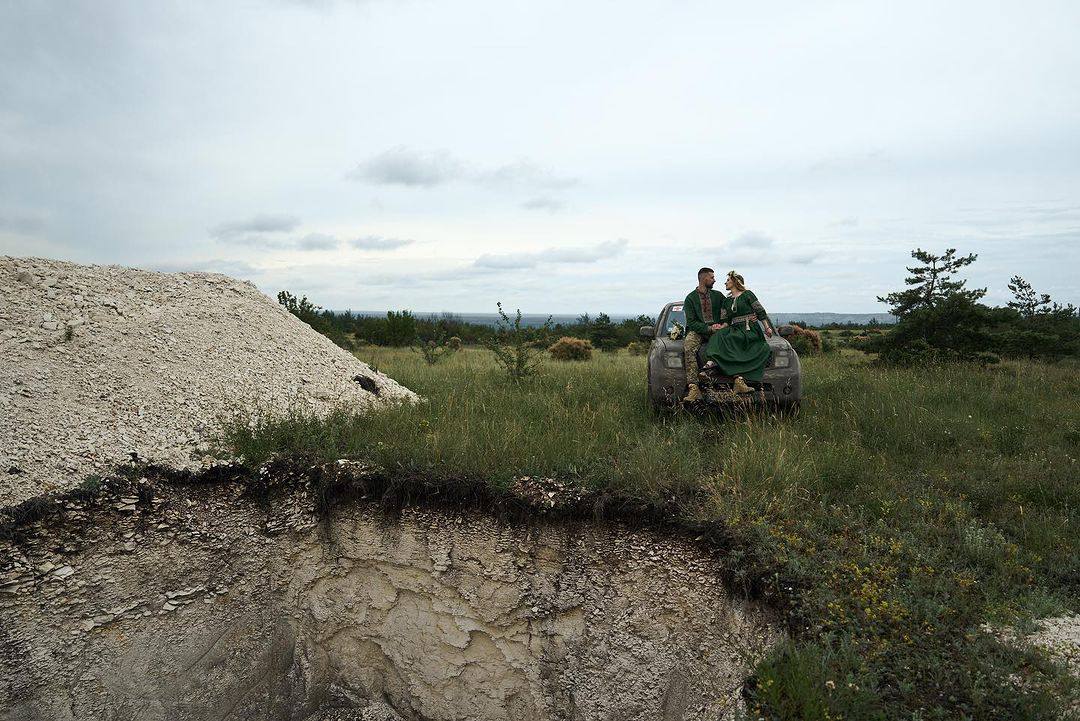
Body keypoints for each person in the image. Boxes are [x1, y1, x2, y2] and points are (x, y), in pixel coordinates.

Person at [701, 270, 775, 394]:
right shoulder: (726, 301)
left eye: (728, 280)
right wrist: (720, 327)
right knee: (718, 336)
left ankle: (739, 378)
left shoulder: (748, 295)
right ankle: (710, 364)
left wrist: (767, 327)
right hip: (735, 328)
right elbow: (725, 321)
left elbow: (760, 311)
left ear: (735, 282)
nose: (725, 282)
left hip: (749, 328)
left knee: (738, 339)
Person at [682, 267, 725, 402]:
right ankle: (693, 388)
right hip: (698, 331)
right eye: (712, 277)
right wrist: (708, 328)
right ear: (704, 278)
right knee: (688, 346)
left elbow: (729, 310)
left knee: (728, 342)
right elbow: (691, 322)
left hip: (717, 330)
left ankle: (736, 380)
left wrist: (749, 314)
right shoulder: (690, 298)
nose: (714, 280)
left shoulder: (718, 295)